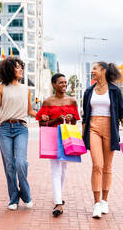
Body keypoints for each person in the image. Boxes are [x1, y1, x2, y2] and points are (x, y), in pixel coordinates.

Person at [0, 57, 37, 211]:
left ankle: (25, 193)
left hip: (21, 128)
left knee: (21, 163)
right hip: (4, 129)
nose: (20, 70)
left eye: (21, 67)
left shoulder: (26, 89)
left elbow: (30, 110)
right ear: (10, 69)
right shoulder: (1, 87)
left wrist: (43, 116)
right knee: (9, 166)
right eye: (17, 67)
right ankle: (13, 197)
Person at [82, 61, 123, 219]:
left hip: (110, 129)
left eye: (94, 69)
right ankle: (96, 203)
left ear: (103, 71)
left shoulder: (114, 91)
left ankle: (105, 201)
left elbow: (121, 113)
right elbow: (85, 116)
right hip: (93, 128)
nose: (92, 71)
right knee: (97, 165)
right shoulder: (88, 91)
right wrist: (82, 135)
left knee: (107, 166)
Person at [36, 73, 80, 217]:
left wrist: (71, 118)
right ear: (53, 85)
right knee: (55, 170)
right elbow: (41, 123)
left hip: (67, 138)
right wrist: (55, 120)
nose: (64, 85)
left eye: (65, 83)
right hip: (53, 138)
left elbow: (74, 122)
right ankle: (58, 203)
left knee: (64, 169)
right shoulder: (48, 102)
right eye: (61, 82)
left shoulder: (72, 101)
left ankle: (58, 196)